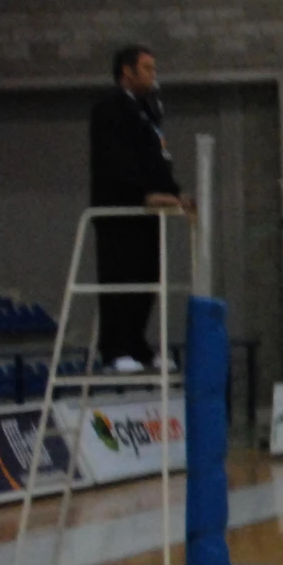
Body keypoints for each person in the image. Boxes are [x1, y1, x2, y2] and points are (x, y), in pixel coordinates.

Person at [88, 45, 191, 373]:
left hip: (149, 215)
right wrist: (143, 194)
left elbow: (158, 159)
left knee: (148, 278)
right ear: (127, 72)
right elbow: (113, 162)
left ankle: (137, 344)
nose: (153, 74)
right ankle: (114, 349)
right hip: (120, 210)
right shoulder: (109, 109)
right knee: (122, 278)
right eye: (147, 68)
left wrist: (175, 193)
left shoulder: (150, 109)